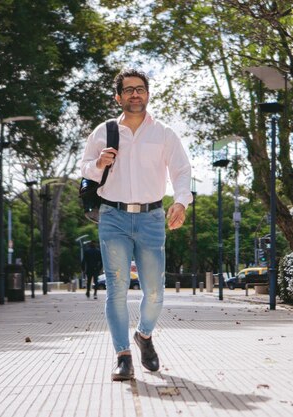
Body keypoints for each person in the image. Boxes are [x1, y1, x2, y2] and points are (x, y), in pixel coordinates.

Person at [80, 68, 192, 381]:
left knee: (155, 291)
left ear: (147, 93)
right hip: (113, 217)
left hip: (152, 218)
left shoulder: (164, 134)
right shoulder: (103, 132)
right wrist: (98, 163)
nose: (134, 94)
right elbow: (85, 168)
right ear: (118, 97)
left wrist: (180, 202)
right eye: (128, 90)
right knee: (116, 289)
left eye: (139, 89)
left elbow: (181, 171)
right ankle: (122, 356)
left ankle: (143, 335)